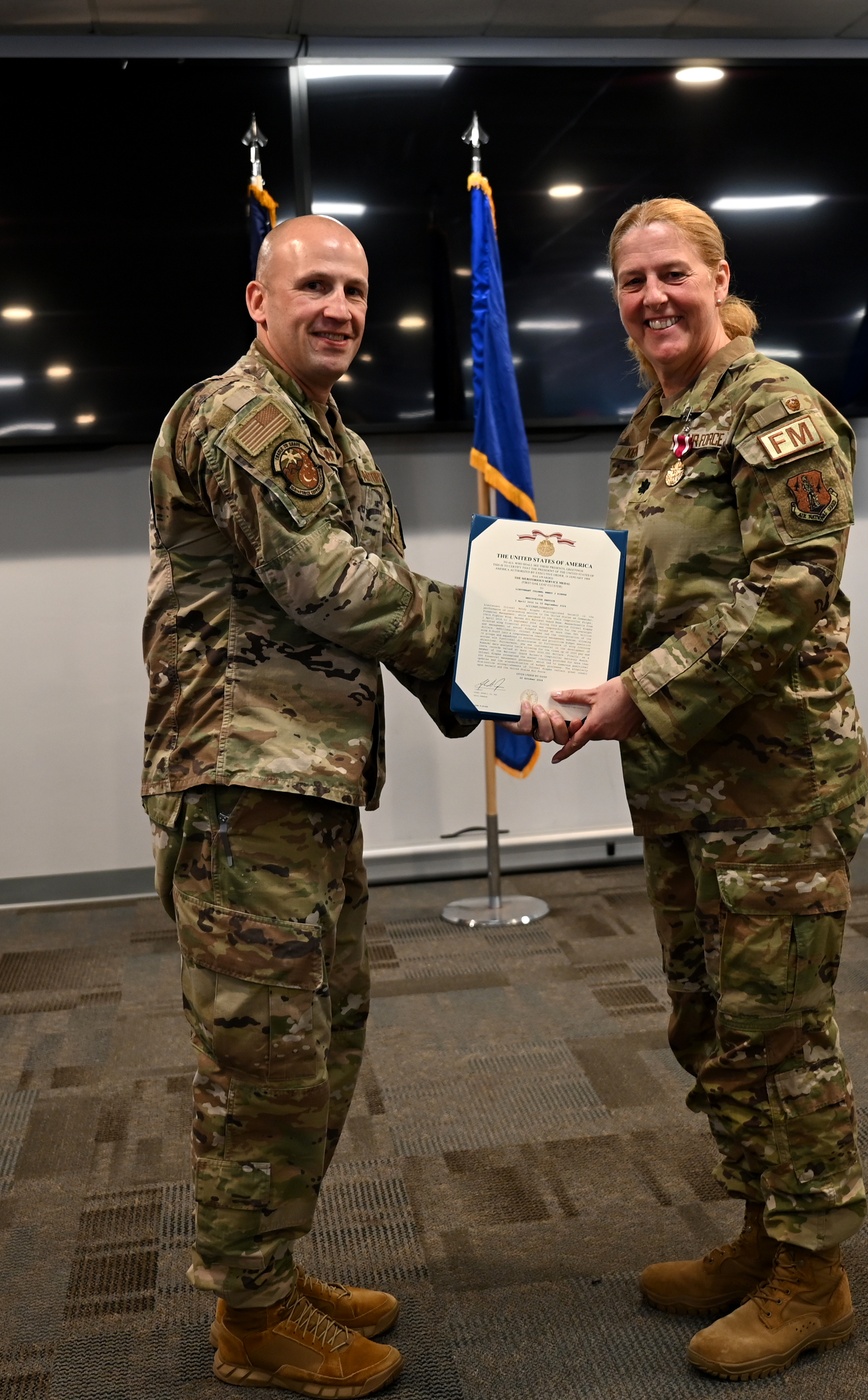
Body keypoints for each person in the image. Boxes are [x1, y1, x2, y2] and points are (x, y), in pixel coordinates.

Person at [517, 198, 868, 1381]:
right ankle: (765, 1231)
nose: (651, 296)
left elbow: (788, 590)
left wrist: (635, 691)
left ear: (721, 277)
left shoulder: (774, 410)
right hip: (679, 778)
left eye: (671, 272)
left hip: (774, 785)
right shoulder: (654, 425)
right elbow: (647, 597)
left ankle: (814, 1276)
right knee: (708, 1019)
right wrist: (558, 673)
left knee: (779, 1030)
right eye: (630, 281)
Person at [142, 215, 471, 1397]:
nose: (338, 306)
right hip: (244, 788)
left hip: (307, 786)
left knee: (318, 1044)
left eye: (355, 289)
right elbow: (328, 584)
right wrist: (486, 639)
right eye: (315, 286)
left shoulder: (332, 432)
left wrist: (477, 669)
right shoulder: (241, 417)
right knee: (261, 1057)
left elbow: (364, 592)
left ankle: (270, 1272)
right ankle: (250, 1317)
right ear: (258, 300)